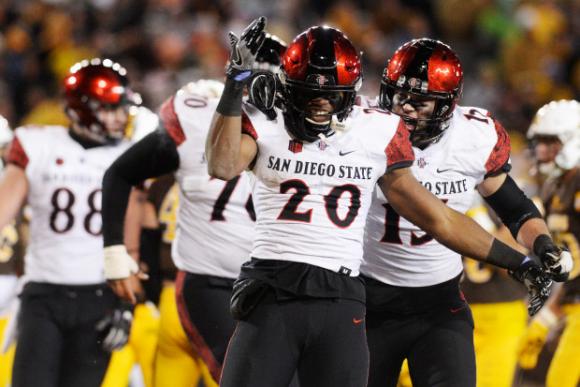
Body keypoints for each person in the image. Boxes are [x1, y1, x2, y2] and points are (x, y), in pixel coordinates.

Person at [203, 18, 554, 387]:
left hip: (347, 297)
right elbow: (222, 164)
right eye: (308, 93)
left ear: (351, 95)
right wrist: (235, 85)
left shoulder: (374, 130)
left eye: (332, 95)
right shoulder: (269, 115)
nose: (319, 106)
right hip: (287, 286)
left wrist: (519, 260)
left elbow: (438, 218)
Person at [359, 38, 573, 387]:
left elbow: (515, 209)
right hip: (368, 298)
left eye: (420, 101)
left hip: (439, 301)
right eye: (400, 96)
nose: (406, 109)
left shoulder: (473, 136)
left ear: (446, 105)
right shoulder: (366, 127)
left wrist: (543, 244)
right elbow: (441, 222)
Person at [0, 58, 157, 387]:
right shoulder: (38, 143)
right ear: (82, 108)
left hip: (101, 295)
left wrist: (126, 304)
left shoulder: (126, 155)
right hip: (43, 293)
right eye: (109, 108)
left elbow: (130, 241)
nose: (119, 117)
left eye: (121, 108)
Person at [517, 99, 580, 387]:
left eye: (550, 142)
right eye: (539, 142)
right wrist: (550, 316)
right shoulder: (556, 185)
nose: (541, 151)